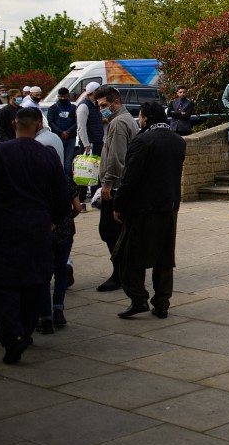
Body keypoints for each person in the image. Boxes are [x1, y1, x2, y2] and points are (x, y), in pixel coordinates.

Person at [0, 108, 68, 364]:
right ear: (38, 126)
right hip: (37, 228)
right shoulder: (47, 155)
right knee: (35, 283)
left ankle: (12, 335)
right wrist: (55, 221)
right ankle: (24, 332)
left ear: (14, 124)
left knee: (1, 287)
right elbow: (62, 195)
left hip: (4, 227)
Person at [112, 103, 186, 319]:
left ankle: (138, 298)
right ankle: (162, 303)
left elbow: (130, 178)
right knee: (164, 257)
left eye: (141, 116)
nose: (140, 120)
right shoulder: (177, 141)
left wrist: (119, 204)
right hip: (170, 206)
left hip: (144, 208)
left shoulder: (143, 141)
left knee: (130, 256)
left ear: (146, 118)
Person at [95, 86, 139, 291]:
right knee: (114, 231)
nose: (101, 109)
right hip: (119, 185)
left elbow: (117, 157)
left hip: (115, 187)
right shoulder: (122, 120)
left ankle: (121, 272)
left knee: (110, 231)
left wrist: (108, 184)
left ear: (116, 103)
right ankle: (123, 271)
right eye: (99, 106)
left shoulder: (119, 123)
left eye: (104, 105)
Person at [37, 171, 79, 334]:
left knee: (43, 276)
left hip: (43, 232)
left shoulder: (37, 181)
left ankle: (46, 317)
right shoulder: (66, 180)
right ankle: (59, 310)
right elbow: (76, 207)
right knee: (61, 269)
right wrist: (68, 218)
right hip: (65, 232)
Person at [74, 81, 104, 211]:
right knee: (85, 172)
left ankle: (95, 198)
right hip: (89, 144)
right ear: (94, 92)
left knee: (96, 172)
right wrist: (86, 144)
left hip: (98, 142)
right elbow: (81, 127)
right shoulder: (84, 107)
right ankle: (81, 200)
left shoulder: (96, 105)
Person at [46, 87, 78, 174]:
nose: (62, 98)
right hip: (57, 137)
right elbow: (51, 122)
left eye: (64, 96)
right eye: (60, 96)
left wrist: (68, 132)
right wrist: (60, 132)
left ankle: (67, 182)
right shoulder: (53, 108)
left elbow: (77, 122)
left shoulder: (73, 107)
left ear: (68, 95)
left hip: (70, 138)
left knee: (68, 162)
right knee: (58, 161)